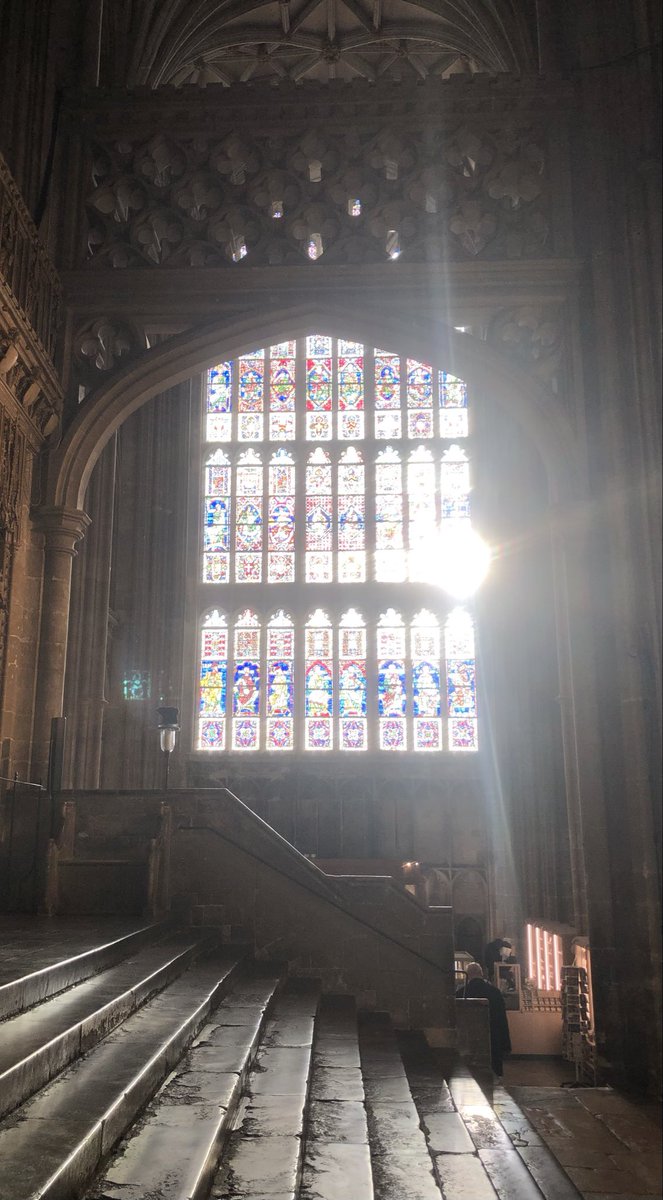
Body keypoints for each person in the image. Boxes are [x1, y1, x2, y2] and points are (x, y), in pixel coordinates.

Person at [456, 962, 512, 1077]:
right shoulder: (495, 992)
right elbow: (502, 1020)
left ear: (467, 975)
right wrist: (506, 1044)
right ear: (482, 974)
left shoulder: (461, 993)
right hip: (493, 1040)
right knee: (495, 1076)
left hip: (469, 1043)